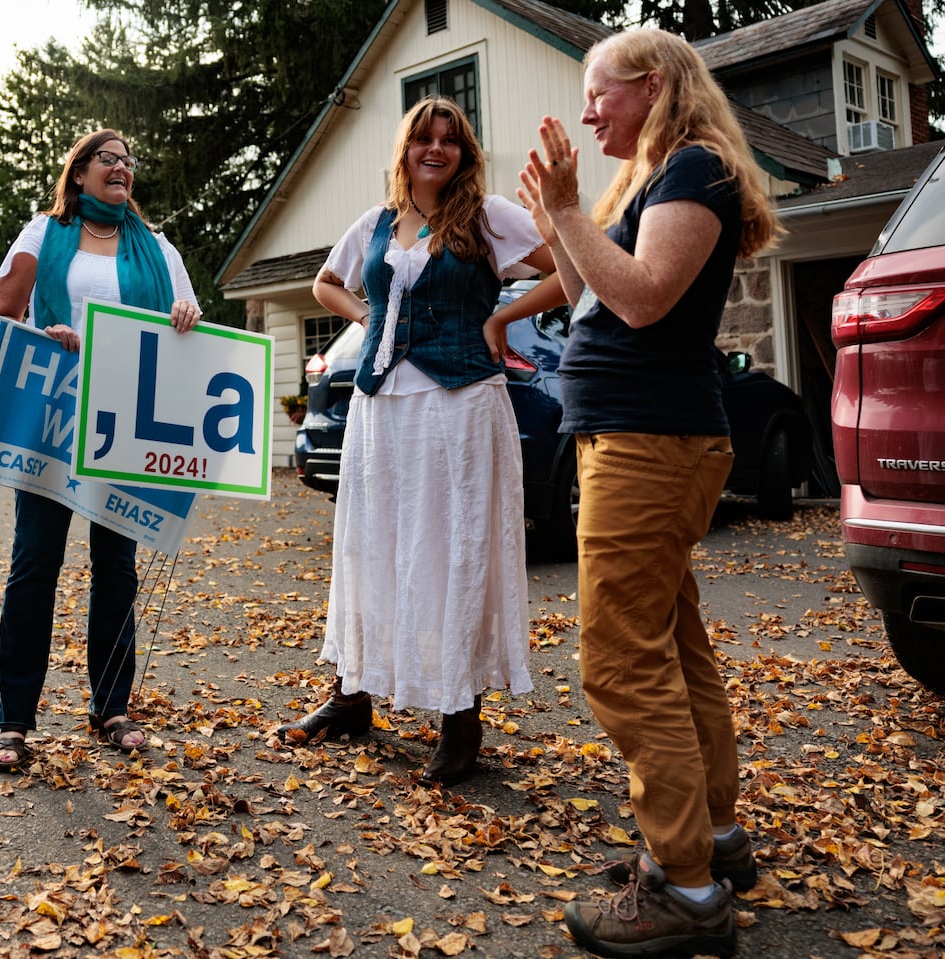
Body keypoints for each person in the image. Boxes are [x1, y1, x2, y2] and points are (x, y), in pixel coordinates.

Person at [516, 27, 781, 959]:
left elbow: (640, 296)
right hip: (637, 437)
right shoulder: (667, 171)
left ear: (657, 84)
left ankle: (687, 892)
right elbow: (593, 285)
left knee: (622, 661)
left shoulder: (696, 170)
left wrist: (567, 208)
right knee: (672, 639)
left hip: (650, 441)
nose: (588, 112)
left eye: (601, 93)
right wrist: (558, 221)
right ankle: (710, 839)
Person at [276, 95, 558, 787]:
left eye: (450, 140)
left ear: (464, 152)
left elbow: (568, 269)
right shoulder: (375, 223)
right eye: (422, 139)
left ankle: (461, 720)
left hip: (459, 403)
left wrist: (502, 320)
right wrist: (367, 313)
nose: (435, 149)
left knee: (452, 546)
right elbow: (324, 283)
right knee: (374, 543)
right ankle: (351, 698)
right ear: (403, 150)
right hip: (383, 408)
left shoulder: (489, 216)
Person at [0, 128, 202, 771]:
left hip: (126, 426)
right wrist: (39, 340)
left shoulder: (157, 248)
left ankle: (113, 708)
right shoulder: (41, 235)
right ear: (78, 174)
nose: (122, 168)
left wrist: (185, 318)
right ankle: (15, 719)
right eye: (108, 159)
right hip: (52, 419)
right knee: (35, 565)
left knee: (116, 568)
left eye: (130, 161)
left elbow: (184, 322)